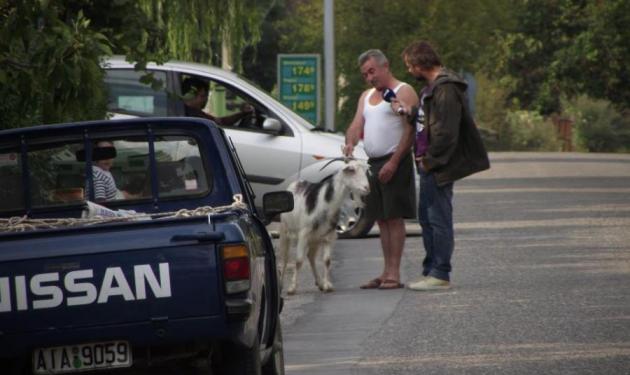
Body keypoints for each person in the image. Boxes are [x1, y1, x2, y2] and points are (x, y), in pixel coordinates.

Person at [395, 41, 490, 291]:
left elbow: (446, 132)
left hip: (436, 165)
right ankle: (431, 270)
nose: (409, 71)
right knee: (427, 218)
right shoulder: (433, 88)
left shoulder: (446, 88)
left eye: (409, 66)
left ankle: (440, 272)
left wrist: (430, 160)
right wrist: (410, 112)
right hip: (428, 164)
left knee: (438, 219)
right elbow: (429, 119)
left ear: (419, 64)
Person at [344, 49, 419, 290]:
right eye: (365, 74)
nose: (369, 78)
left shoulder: (403, 91)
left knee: (394, 218)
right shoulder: (366, 96)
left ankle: (394, 273)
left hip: (394, 160)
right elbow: (357, 124)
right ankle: (385, 271)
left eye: (372, 71)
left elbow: (410, 131)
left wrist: (394, 162)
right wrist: (350, 142)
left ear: (385, 66)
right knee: (381, 218)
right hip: (373, 163)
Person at [182, 77, 254, 127]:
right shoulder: (194, 116)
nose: (205, 100)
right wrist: (242, 113)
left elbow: (220, 121)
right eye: (202, 96)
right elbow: (221, 123)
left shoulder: (192, 111)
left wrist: (242, 113)